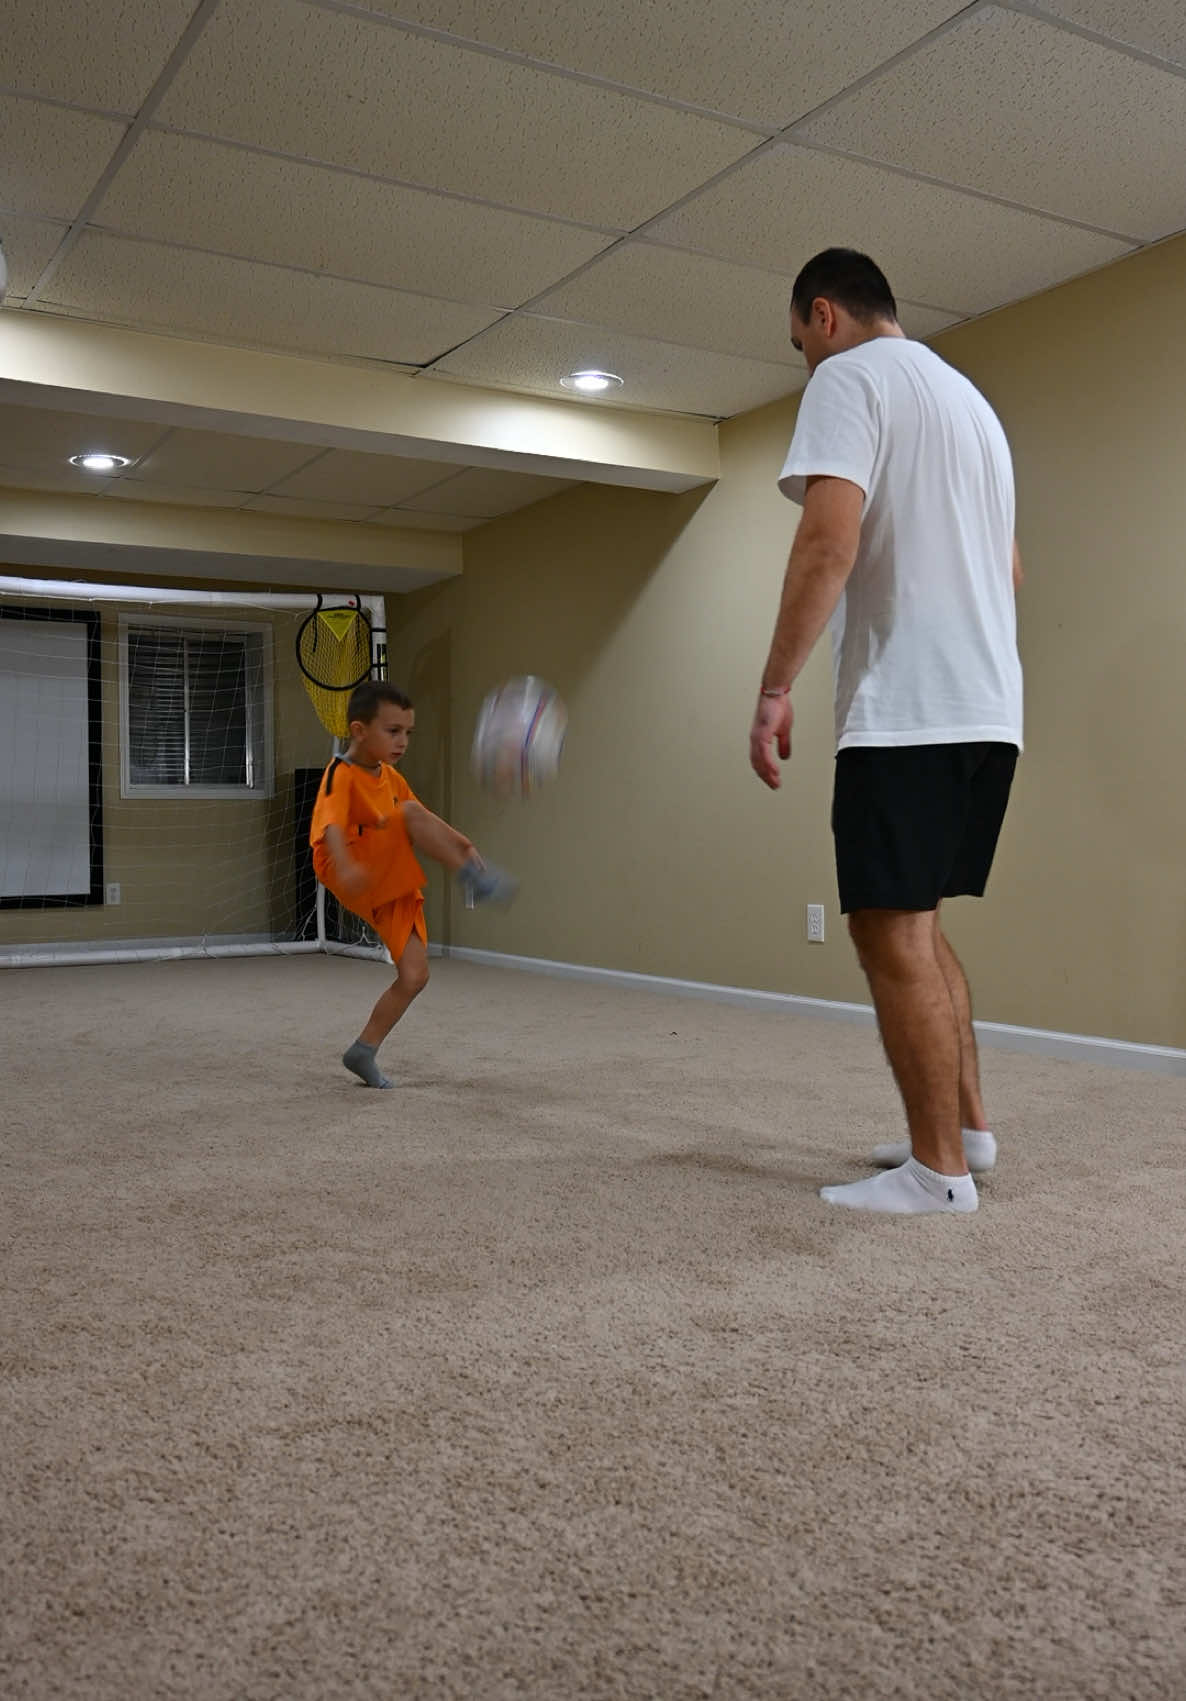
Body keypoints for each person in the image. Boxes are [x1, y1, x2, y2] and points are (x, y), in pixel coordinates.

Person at [749, 248, 1023, 1215]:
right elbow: (1011, 573)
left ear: (825, 315)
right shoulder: (970, 405)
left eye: (799, 345)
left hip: (908, 710)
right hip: (990, 710)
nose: (804, 367)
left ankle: (937, 1173)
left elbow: (829, 540)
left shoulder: (850, 379)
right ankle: (968, 1133)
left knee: (884, 929)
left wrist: (774, 686)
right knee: (921, 925)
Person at [310, 680, 517, 1088]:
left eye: (408, 733)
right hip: (345, 862)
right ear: (359, 730)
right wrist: (348, 865)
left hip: (384, 875)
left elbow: (423, 816)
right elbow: (332, 823)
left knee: (415, 975)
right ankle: (471, 878)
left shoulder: (390, 776)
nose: (403, 741)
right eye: (393, 731)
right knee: (404, 814)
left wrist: (463, 843)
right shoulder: (340, 773)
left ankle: (363, 1051)